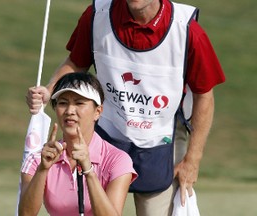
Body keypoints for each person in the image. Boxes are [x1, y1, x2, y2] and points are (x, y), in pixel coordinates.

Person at [26, 0, 226, 215]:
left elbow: (204, 95)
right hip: (106, 133)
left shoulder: (186, 28)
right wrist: (50, 89)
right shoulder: (98, 15)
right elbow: (77, 62)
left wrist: (192, 160)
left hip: (161, 141)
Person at [19, 72, 137, 216]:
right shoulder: (38, 159)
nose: (70, 111)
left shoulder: (117, 160)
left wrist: (89, 171)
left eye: (79, 103)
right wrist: (43, 170)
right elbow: (25, 214)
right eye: (63, 103)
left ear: (98, 112)